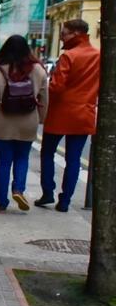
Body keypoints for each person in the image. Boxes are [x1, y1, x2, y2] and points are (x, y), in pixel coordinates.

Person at [37, 18, 100, 212]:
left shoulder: (69, 56)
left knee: (47, 152)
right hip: (84, 113)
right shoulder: (98, 55)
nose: (62, 37)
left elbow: (56, 87)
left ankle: (48, 192)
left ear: (76, 33)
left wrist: (45, 90)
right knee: (73, 159)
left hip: (60, 113)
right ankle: (65, 201)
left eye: (64, 33)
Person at [0, 35, 49, 212]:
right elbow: (44, 97)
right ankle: (18, 189)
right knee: (22, 157)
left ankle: (1, 201)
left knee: (3, 162)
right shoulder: (38, 70)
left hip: (2, 121)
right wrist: (41, 118)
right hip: (28, 120)